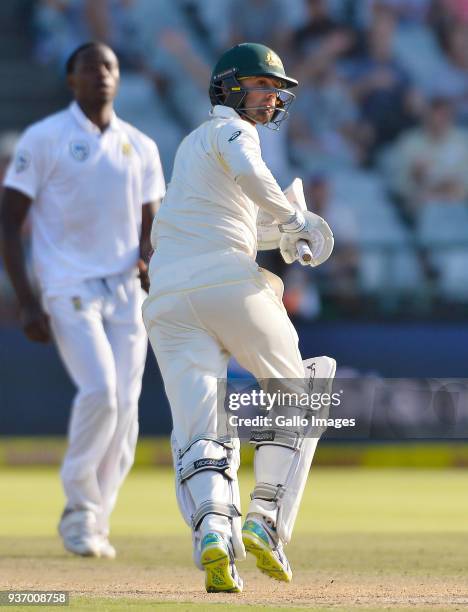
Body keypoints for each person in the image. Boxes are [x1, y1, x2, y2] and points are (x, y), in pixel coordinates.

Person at [142, 42, 335, 593]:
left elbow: (236, 216)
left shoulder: (191, 151)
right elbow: (253, 176)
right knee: (299, 387)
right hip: (227, 282)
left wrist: (288, 232)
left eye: (276, 89)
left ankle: (212, 533)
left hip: (169, 298)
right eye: (262, 85)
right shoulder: (232, 131)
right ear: (228, 87)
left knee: (200, 425)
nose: (272, 96)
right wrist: (296, 217)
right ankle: (264, 517)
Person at [0, 42, 165, 558]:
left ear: (120, 78)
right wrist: (26, 299)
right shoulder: (45, 137)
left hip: (124, 293)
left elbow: (151, 226)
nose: (101, 74)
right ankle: (78, 508)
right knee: (101, 393)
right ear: (71, 79)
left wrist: (147, 260)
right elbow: (8, 220)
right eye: (90, 67)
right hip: (66, 286)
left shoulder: (140, 145)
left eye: (110, 66)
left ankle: (96, 519)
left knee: (127, 410)